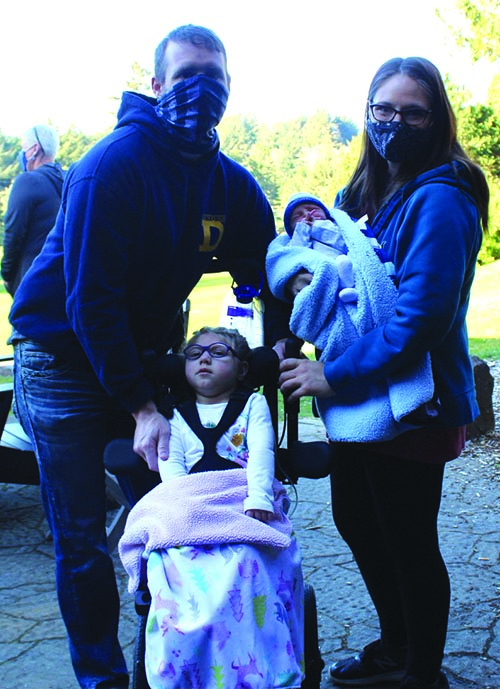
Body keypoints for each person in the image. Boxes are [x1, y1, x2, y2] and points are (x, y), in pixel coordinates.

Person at [8, 25, 290, 689]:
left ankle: (169, 654)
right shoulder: (115, 165)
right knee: (81, 539)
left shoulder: (230, 185)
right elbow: (90, 306)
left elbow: (269, 263)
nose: (203, 92)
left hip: (139, 358)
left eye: (215, 79)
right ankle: (103, 678)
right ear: (156, 84)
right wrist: (141, 407)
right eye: (187, 76)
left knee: (179, 515)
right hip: (63, 363)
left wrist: (277, 343)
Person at [278, 57, 489, 689]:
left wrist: (330, 376)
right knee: (359, 520)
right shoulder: (364, 194)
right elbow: (326, 269)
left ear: (436, 120)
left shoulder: (443, 201)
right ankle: (398, 645)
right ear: (368, 114)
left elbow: (418, 320)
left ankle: (421, 674)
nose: (395, 123)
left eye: (412, 112)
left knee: (407, 539)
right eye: (383, 111)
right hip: (362, 398)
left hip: (410, 401)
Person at [119, 326, 304, 688]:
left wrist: (259, 499)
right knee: (171, 562)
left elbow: (261, 456)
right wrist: (178, 511)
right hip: (188, 509)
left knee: (248, 560)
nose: (204, 358)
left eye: (219, 352)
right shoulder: (172, 415)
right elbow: (170, 465)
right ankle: (180, 665)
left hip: (244, 503)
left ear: (242, 370)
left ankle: (264, 666)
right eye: (195, 353)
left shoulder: (252, 406)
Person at [268, 194, 437, 438]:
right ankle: (363, 409)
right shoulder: (296, 240)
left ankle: (409, 402)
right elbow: (290, 259)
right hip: (327, 281)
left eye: (313, 210)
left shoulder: (339, 227)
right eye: (298, 215)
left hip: (357, 277)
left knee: (372, 310)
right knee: (340, 320)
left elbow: (357, 248)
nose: (307, 216)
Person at [1, 124, 65, 296]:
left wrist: (7, 274)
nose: (22, 154)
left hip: (31, 281)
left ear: (35, 149)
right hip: (63, 281)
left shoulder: (28, 181)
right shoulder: (68, 180)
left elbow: (13, 234)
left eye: (23, 148)